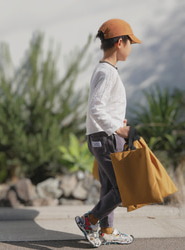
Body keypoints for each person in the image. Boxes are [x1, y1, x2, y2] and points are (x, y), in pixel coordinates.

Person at [75, 18, 141, 247]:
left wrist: (117, 123)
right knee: (123, 188)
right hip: (106, 138)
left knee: (109, 187)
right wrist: (119, 128)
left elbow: (103, 107)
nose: (132, 48)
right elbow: (95, 108)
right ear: (120, 43)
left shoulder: (105, 70)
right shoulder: (107, 72)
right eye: (131, 43)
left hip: (102, 137)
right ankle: (89, 220)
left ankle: (107, 231)